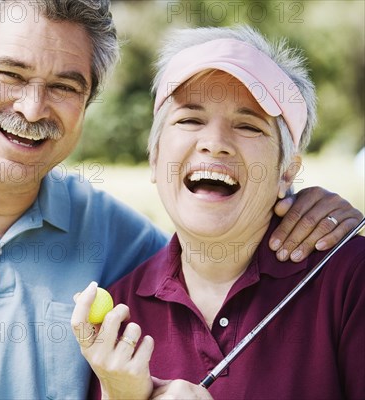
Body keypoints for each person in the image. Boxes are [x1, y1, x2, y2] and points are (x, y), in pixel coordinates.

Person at [0, 2, 361, 398]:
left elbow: (216, 246)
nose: (31, 108)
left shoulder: (123, 245)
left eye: (63, 86)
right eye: (10, 74)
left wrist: (308, 207)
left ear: (87, 105)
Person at [72, 25, 364, 400]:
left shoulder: (351, 281)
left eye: (247, 125)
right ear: (156, 156)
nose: (214, 144)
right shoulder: (118, 314)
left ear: (286, 172)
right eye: (190, 120)